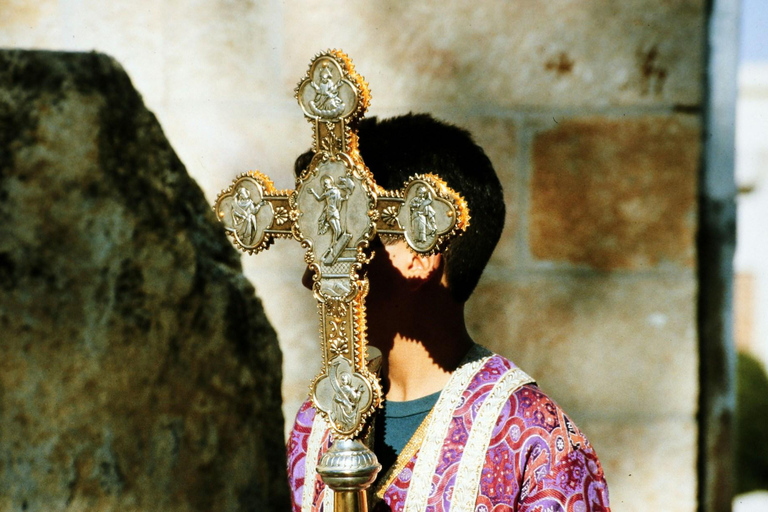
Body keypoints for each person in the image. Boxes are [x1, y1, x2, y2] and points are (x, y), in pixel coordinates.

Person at [287, 114, 611, 511]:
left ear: (418, 255)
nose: (311, 277)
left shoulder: (533, 438)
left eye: (343, 244)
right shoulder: (317, 423)